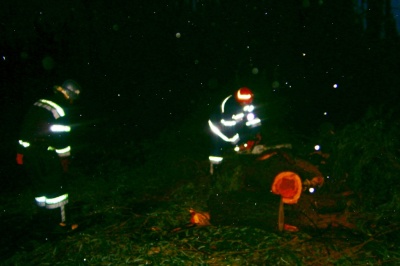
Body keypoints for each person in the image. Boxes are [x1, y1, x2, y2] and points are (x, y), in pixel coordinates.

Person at [16, 79, 81, 228]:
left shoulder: (39, 103)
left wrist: (21, 152)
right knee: (57, 190)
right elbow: (61, 138)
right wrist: (64, 160)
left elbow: (25, 128)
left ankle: (43, 220)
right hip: (47, 155)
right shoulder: (60, 109)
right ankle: (61, 224)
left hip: (30, 154)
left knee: (40, 189)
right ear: (70, 95)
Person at [208, 87, 262, 175]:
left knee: (240, 136)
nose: (247, 104)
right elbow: (228, 130)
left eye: (249, 101)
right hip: (218, 126)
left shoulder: (248, 103)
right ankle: (214, 170)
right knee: (218, 146)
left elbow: (253, 119)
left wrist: (256, 133)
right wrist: (238, 143)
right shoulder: (229, 106)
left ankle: (241, 153)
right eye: (245, 102)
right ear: (239, 100)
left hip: (233, 123)